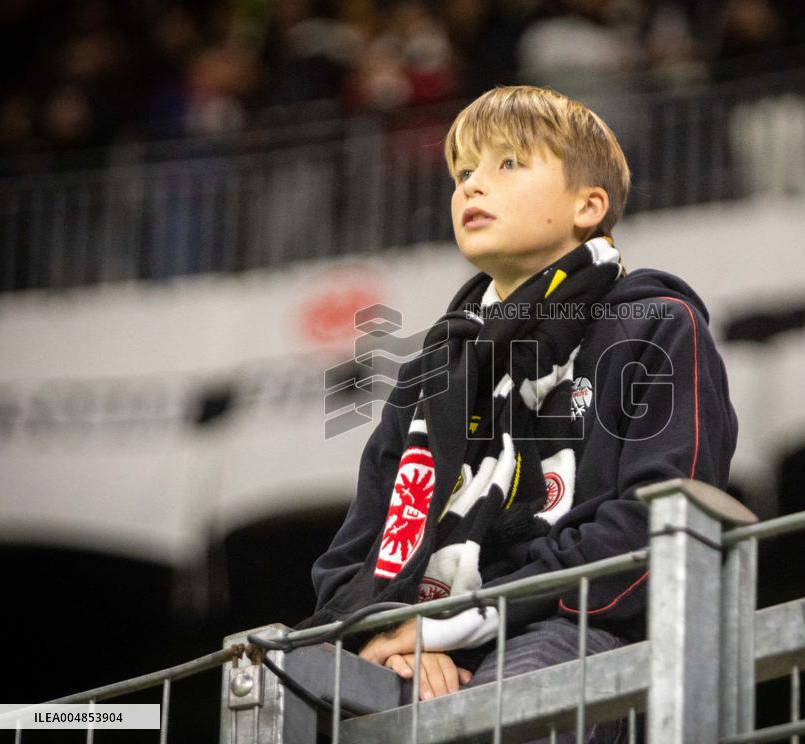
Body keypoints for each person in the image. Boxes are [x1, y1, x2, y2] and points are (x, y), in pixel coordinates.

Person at [300, 85, 738, 741]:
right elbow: (348, 567)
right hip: (434, 653)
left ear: (588, 207)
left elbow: (658, 531)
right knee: (281, 690)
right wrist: (394, 640)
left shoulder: (655, 326)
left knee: (517, 699)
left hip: (591, 636)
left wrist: (448, 624)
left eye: (508, 164)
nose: (473, 186)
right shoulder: (429, 376)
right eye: (463, 172)